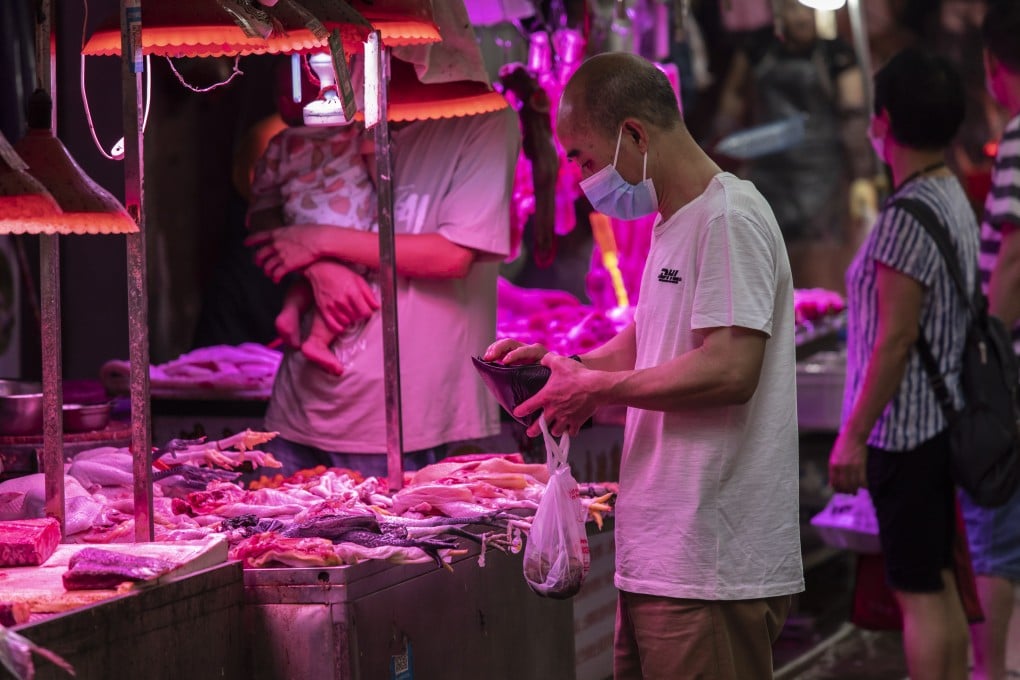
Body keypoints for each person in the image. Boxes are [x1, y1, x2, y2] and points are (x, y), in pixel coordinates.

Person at [486, 52, 803, 679]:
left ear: (634, 134)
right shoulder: (676, 220)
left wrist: (599, 389)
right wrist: (567, 370)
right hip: (664, 559)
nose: (577, 176)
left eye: (581, 157)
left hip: (709, 565)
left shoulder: (729, 217)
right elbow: (649, 338)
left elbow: (730, 370)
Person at [245, 87, 520, 478]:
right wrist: (320, 269)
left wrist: (319, 240)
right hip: (298, 407)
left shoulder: (484, 118)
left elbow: (454, 256)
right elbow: (264, 222)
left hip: (399, 423)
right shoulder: (342, 114)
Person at [827, 48, 974, 680]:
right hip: (941, 424)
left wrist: (853, 434)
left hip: (906, 432)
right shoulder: (950, 195)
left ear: (883, 121)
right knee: (936, 583)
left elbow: (895, 337)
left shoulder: (904, 217)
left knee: (917, 590)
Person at [715, 0, 875, 293]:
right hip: (768, 178)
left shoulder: (836, 55)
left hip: (823, 181)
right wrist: (719, 152)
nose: (802, 18)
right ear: (776, 11)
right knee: (766, 275)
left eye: (807, 9)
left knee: (818, 277)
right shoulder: (756, 49)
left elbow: (854, 119)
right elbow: (733, 99)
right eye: (792, 8)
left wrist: (862, 176)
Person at [247, 57, 379, 377]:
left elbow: (262, 191)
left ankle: (291, 311)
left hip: (299, 223)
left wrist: (270, 213)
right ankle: (318, 339)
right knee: (348, 276)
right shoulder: (353, 130)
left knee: (312, 275)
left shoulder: (280, 144)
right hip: (348, 224)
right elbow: (378, 168)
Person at [960, 3, 1020, 679]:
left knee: (999, 538)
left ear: (993, 66)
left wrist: (987, 357)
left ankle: (994, 669)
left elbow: (1013, 260)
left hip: (1012, 377)